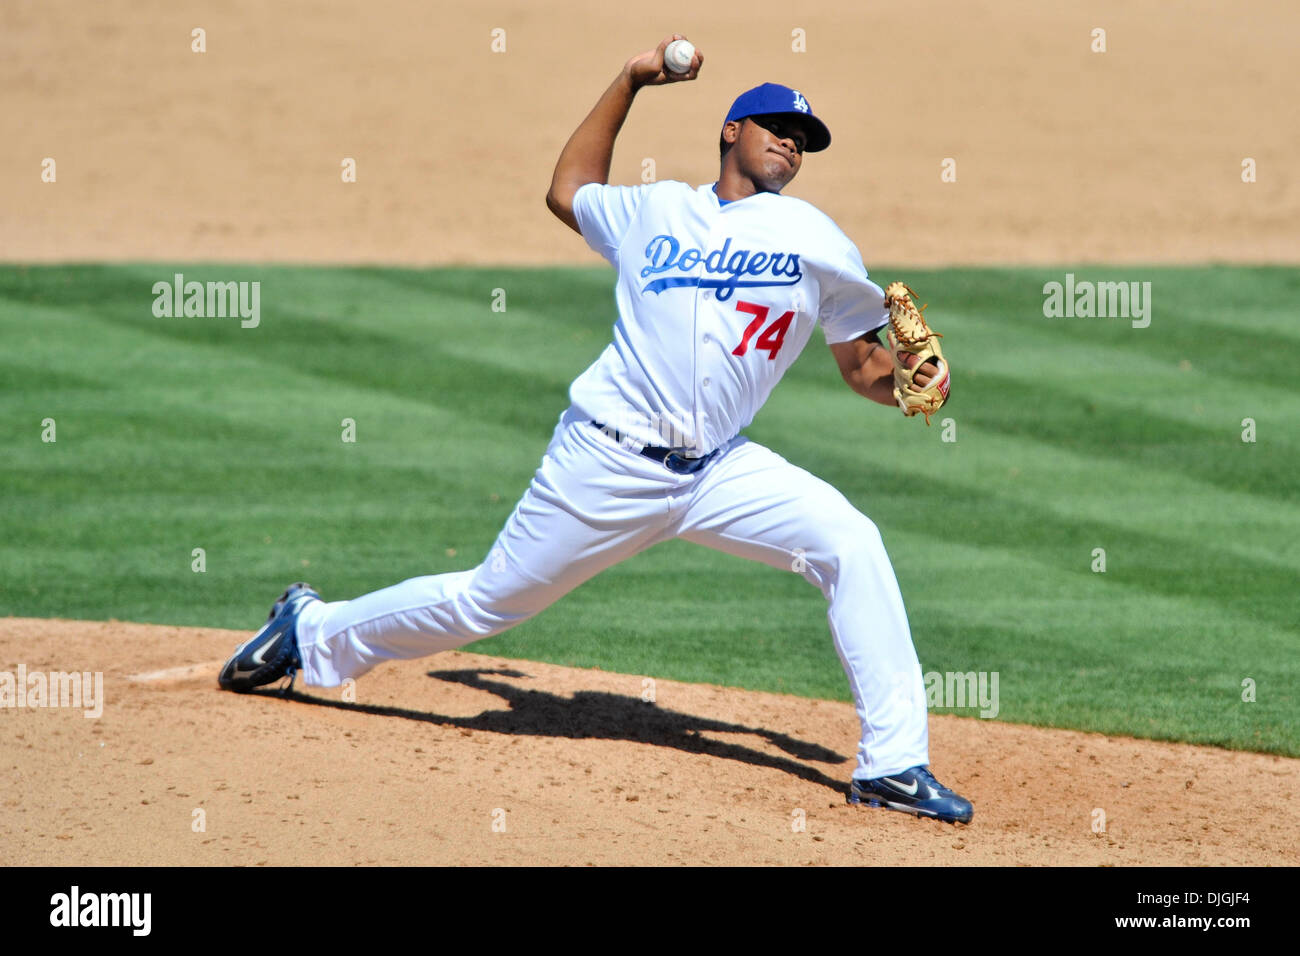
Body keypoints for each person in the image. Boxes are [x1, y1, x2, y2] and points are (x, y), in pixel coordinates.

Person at [219, 35, 973, 824]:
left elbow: (864, 366)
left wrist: (916, 390)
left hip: (719, 471)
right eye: (775, 125)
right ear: (730, 131)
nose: (791, 141)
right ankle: (311, 632)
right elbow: (567, 188)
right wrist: (631, 81)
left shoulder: (820, 241)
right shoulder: (652, 209)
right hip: (605, 461)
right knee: (487, 602)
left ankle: (893, 765)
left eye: (804, 137)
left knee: (850, 542)